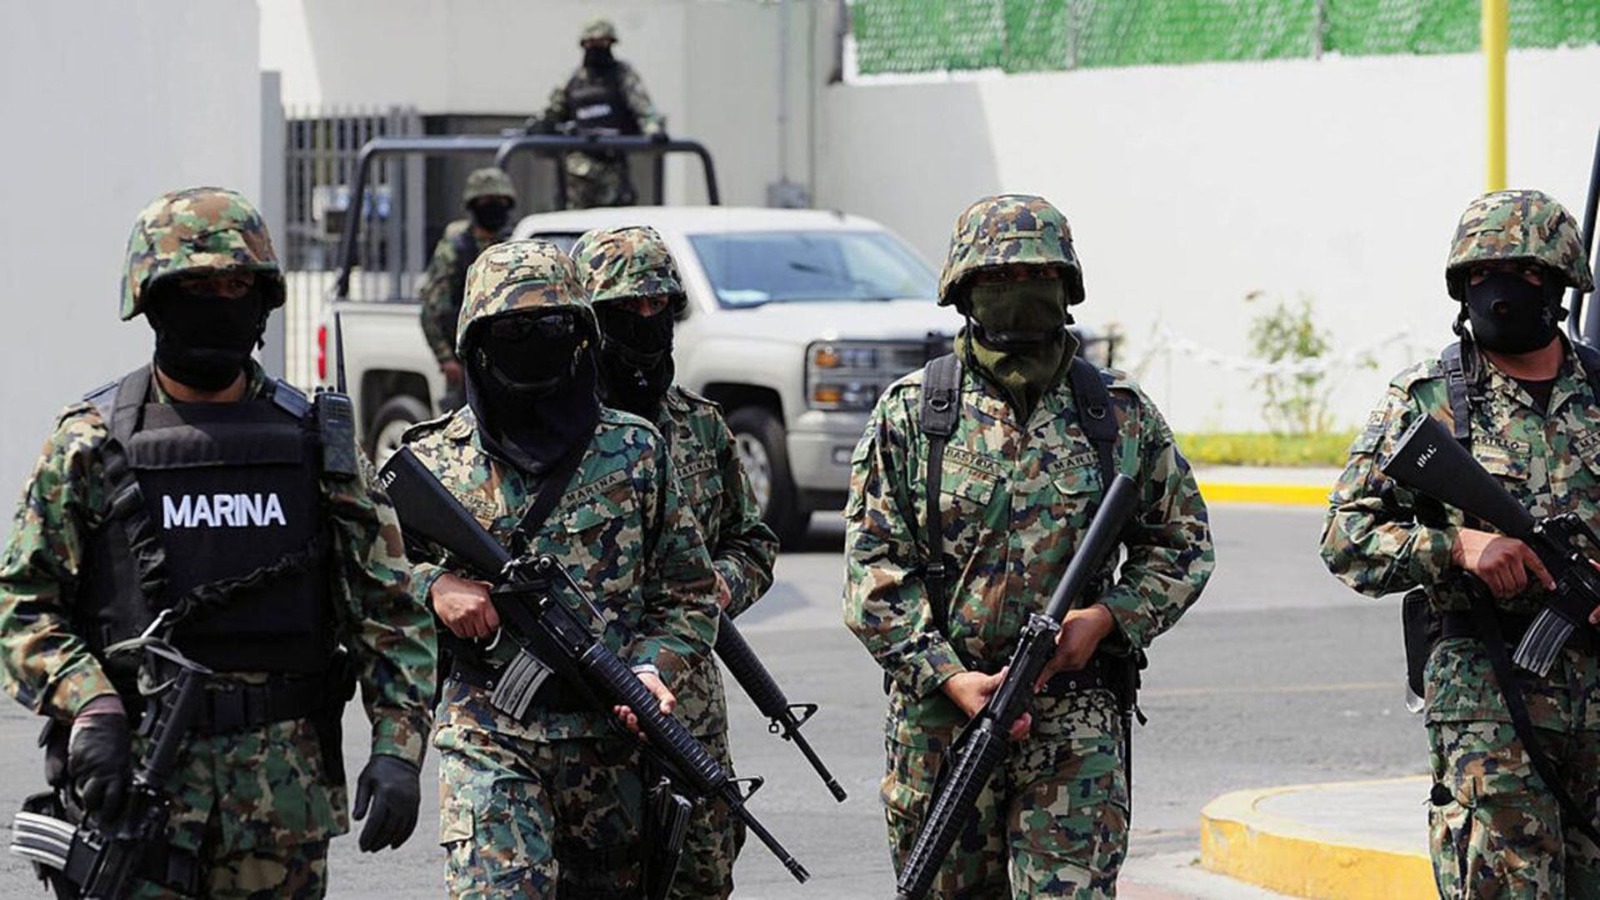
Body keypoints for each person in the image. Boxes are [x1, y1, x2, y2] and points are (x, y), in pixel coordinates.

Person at [0, 187, 436, 898]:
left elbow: (391, 607)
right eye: (196, 289)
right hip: (135, 794)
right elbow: (21, 604)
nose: (219, 304)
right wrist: (90, 705)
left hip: (279, 812)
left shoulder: (316, 444)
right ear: (151, 301)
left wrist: (398, 747)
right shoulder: (89, 443)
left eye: (237, 287)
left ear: (263, 302)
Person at [842, 194, 1214, 897]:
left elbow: (1183, 544)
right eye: (998, 278)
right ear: (963, 291)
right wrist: (950, 677)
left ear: (1067, 287)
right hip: (943, 726)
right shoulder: (914, 415)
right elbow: (873, 573)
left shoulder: (1117, 414)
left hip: (1075, 724)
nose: (1019, 291)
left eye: (1038, 276)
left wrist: (1106, 619)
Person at [400, 238, 720, 897]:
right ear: (475, 344)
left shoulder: (634, 450)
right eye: (512, 331)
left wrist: (653, 668)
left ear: (581, 336)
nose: (534, 345)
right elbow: (367, 584)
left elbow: (689, 594)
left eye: (552, 327)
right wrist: (432, 586)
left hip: (612, 739)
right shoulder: (432, 461)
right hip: (488, 732)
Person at [1321, 188, 1600, 898]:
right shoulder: (1427, 400)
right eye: (1482, 274)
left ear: (1561, 282)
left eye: (1524, 272)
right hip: (1488, 704)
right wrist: (1458, 548)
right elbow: (1346, 536)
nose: (1501, 289)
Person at [571, 225, 779, 899]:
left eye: (657, 304)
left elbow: (753, 541)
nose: (645, 319)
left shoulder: (700, 425)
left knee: (701, 871)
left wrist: (722, 585)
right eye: (626, 308)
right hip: (581, 707)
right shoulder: (558, 430)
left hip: (688, 701)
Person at [527, 18, 667, 210]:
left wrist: (653, 130)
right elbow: (551, 111)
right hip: (578, 169)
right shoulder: (573, 80)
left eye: (602, 43)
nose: (596, 48)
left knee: (616, 220)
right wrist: (536, 128)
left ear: (611, 44)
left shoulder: (622, 75)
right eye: (591, 43)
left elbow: (643, 108)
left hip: (612, 164)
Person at [419, 167, 520, 412]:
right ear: (474, 206)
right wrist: (446, 359)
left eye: (500, 202)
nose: (495, 208)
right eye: (487, 202)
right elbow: (431, 308)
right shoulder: (456, 249)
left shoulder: (515, 246)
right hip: (466, 361)